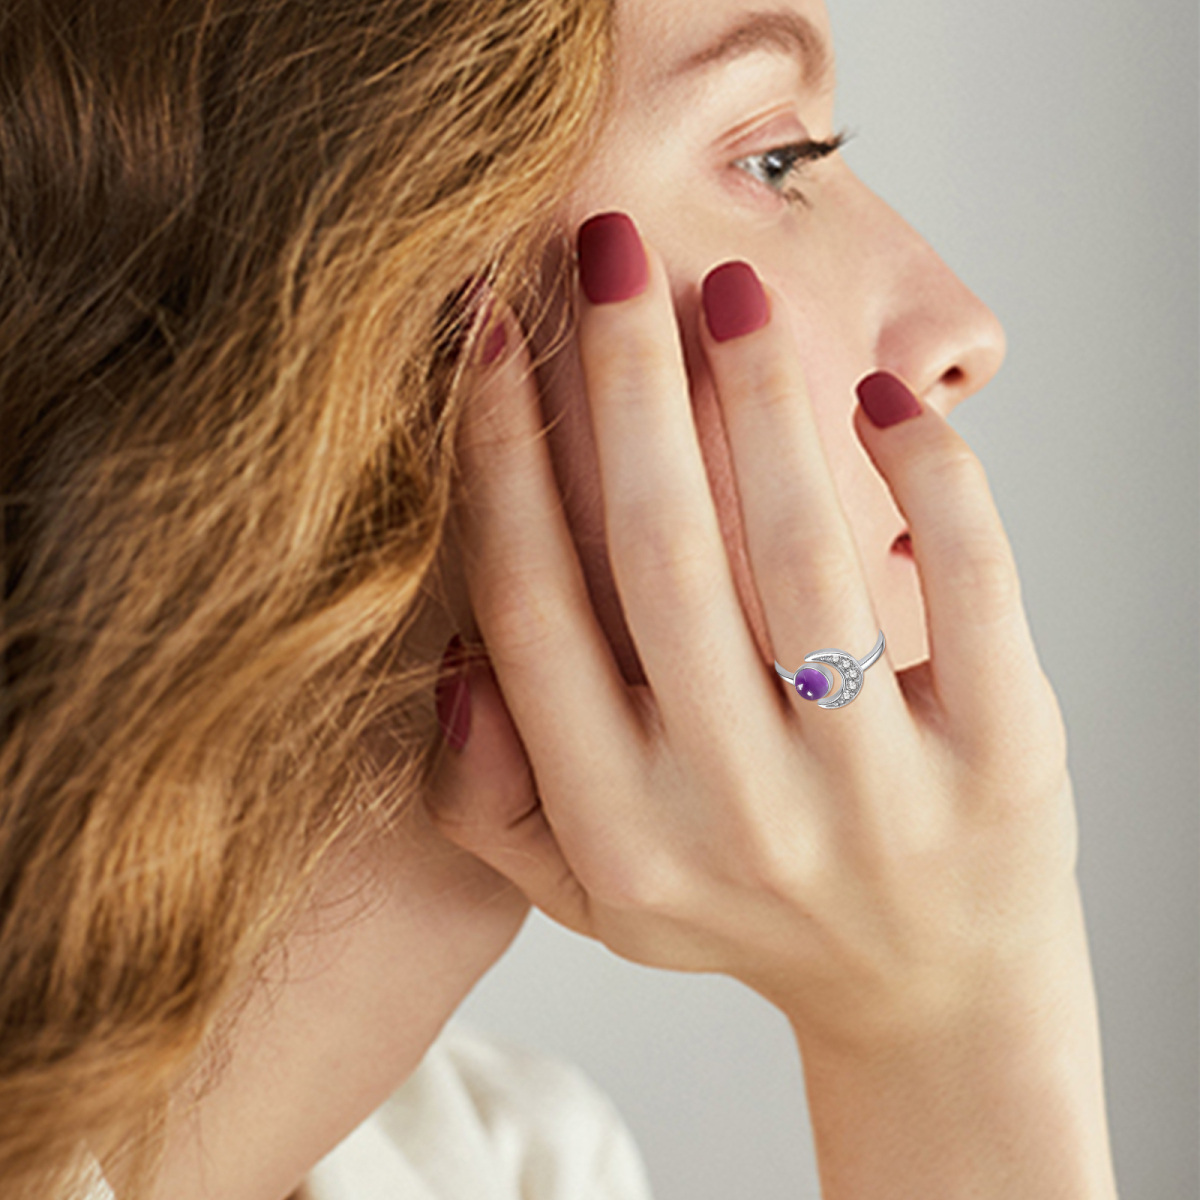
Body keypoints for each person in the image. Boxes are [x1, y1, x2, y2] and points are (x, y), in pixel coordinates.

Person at [0, 0, 1120, 1197]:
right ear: (352, 291)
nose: (966, 331)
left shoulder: (531, 1166)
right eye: (778, 158)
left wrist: (949, 1020)